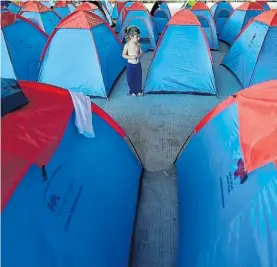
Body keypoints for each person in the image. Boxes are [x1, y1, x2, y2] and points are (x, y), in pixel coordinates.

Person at [122, 26, 143, 97]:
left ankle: (138, 90)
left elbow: (141, 53)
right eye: (137, 37)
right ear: (131, 36)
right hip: (130, 65)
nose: (139, 38)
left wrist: (139, 55)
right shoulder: (127, 45)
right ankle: (132, 91)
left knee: (138, 77)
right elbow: (123, 55)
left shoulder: (138, 44)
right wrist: (131, 56)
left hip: (138, 64)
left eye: (139, 36)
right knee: (130, 78)